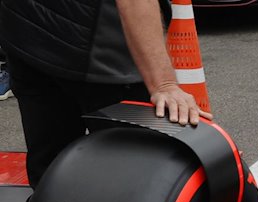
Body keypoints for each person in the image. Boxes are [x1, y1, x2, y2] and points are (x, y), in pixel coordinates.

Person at [0, 0, 211, 187]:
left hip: (26, 34)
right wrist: (164, 84)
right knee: (138, 177)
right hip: (99, 49)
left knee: (51, 174)